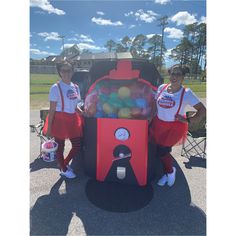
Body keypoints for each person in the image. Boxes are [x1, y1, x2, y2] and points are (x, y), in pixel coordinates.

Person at [150, 64, 206, 187]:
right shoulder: (161, 87)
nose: (174, 76)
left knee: (163, 151)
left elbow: (202, 110)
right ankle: (166, 172)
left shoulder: (186, 93)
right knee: (158, 150)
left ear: (183, 77)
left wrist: (188, 120)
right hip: (158, 124)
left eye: (178, 74)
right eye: (172, 73)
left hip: (173, 127)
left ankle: (170, 172)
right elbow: (155, 104)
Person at [43, 60, 84, 179]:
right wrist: (49, 128)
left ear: (72, 71)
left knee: (77, 145)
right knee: (60, 147)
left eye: (69, 70)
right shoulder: (55, 88)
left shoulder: (75, 87)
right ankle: (64, 169)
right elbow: (52, 110)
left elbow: (75, 105)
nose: (66, 73)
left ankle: (63, 164)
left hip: (73, 119)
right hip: (60, 119)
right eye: (63, 70)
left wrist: (82, 112)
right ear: (59, 72)